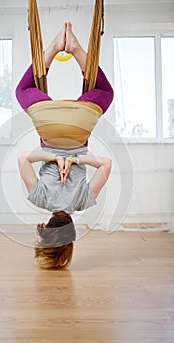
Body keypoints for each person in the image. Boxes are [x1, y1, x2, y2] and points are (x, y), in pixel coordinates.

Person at [16, 23, 113, 269]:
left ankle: (76, 50)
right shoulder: (40, 200)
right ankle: (55, 48)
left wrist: (76, 159)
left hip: (79, 128)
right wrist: (51, 156)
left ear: (72, 232)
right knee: (24, 90)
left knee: (104, 91)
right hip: (49, 126)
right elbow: (22, 158)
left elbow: (106, 164)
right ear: (47, 225)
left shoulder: (83, 201)